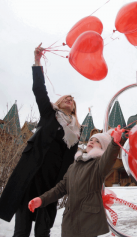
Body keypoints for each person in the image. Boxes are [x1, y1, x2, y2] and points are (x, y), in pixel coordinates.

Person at [0, 43, 81, 237]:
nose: (69, 99)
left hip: (51, 184)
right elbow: (39, 89)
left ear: (74, 108)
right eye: (66, 98)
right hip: (31, 177)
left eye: (72, 99)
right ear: (60, 103)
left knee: (43, 230)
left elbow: (70, 162)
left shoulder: (76, 133)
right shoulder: (49, 114)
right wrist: (37, 62)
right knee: (22, 229)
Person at [28, 126, 125, 237]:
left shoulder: (98, 165)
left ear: (103, 147)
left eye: (97, 141)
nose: (92, 142)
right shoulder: (74, 166)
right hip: (69, 221)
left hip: (88, 221)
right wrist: (41, 199)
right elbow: (60, 188)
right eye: (91, 140)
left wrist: (114, 143)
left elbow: (108, 158)